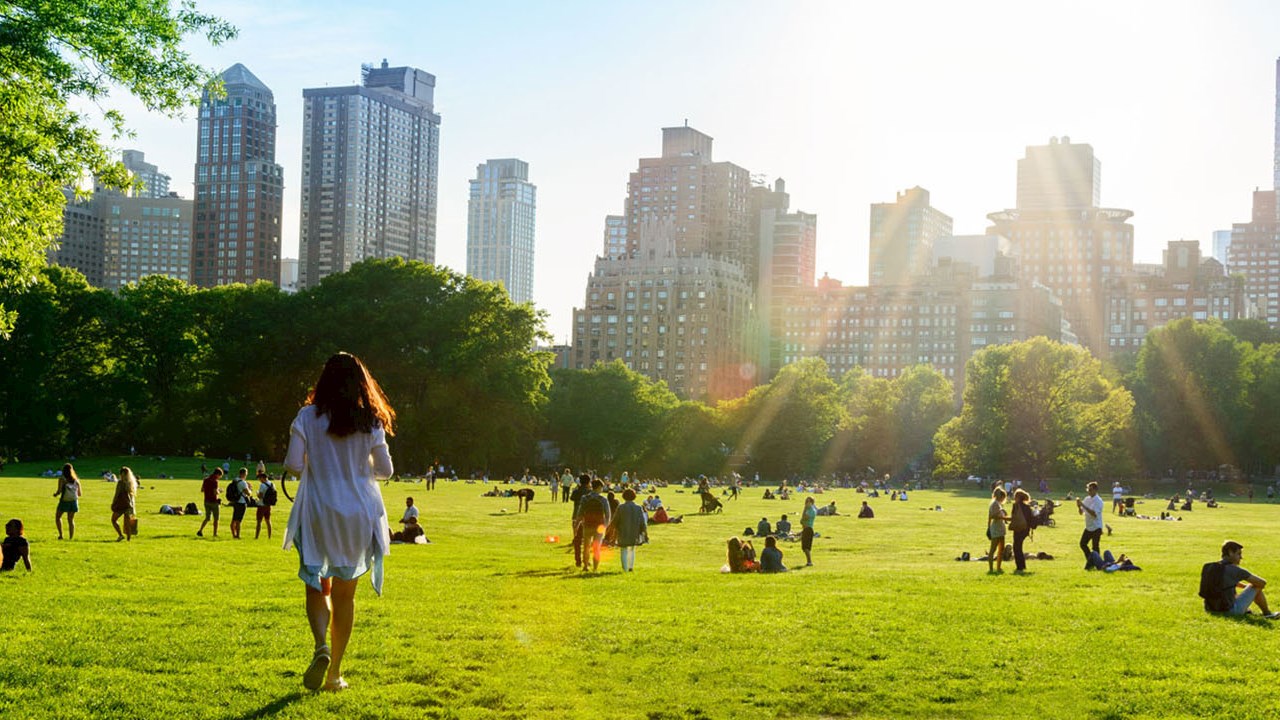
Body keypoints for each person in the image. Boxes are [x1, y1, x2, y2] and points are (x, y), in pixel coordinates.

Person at [282, 352, 397, 692]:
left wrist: (318, 462)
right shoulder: (372, 421)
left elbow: (294, 465)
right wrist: (360, 469)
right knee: (346, 596)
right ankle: (335, 675)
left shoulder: (306, 417)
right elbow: (385, 471)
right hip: (358, 512)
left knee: (317, 584)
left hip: (318, 509)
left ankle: (321, 646)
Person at [1200, 540, 1280, 618]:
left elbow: (1223, 583)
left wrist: (1245, 587)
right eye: (1239, 554)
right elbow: (1262, 583)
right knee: (1256, 586)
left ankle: (1247, 610)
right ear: (1231, 552)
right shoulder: (1235, 570)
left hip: (1209, 609)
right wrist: (1250, 587)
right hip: (1229, 611)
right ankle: (1267, 613)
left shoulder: (1209, 567)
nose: (1241, 557)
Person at [609, 488, 648, 571]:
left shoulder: (621, 507)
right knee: (632, 549)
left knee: (624, 550)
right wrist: (645, 533)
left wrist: (610, 531)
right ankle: (631, 567)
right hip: (634, 532)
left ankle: (625, 568)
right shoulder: (638, 508)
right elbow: (642, 522)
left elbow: (615, 521)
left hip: (623, 531)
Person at [579, 479, 611, 572]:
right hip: (599, 526)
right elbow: (608, 515)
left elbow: (580, 512)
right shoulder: (603, 499)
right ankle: (595, 568)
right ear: (599, 487)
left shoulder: (585, 498)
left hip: (587, 525)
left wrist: (579, 522)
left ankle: (585, 566)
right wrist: (605, 526)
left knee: (586, 547)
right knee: (597, 548)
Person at [1076, 482, 1105, 570]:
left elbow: (1094, 514)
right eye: (1088, 489)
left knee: (1095, 547)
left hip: (1096, 527)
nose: (1089, 491)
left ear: (1095, 490)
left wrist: (1082, 505)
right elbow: (1081, 512)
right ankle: (1091, 560)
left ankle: (1099, 565)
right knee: (1082, 544)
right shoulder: (1087, 499)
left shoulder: (1098, 501)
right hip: (1089, 527)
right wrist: (1078, 506)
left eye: (1090, 489)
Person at [1008, 489, 1035, 573]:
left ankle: (1019, 566)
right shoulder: (1027, 507)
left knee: (1016, 548)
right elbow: (1030, 518)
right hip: (1025, 529)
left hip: (1018, 529)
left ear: (1018, 497)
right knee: (1019, 547)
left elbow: (1013, 517)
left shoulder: (1016, 506)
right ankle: (1022, 565)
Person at [53, 463, 82, 540]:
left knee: (58, 517)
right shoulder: (76, 480)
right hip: (74, 501)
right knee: (71, 520)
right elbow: (79, 494)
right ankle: (71, 537)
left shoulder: (62, 479)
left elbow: (59, 491)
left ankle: (61, 535)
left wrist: (55, 494)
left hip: (64, 501)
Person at [110, 466, 138, 542]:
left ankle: (122, 536)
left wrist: (113, 503)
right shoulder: (130, 483)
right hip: (127, 505)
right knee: (126, 523)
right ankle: (127, 538)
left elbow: (117, 494)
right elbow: (132, 496)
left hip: (121, 505)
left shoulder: (121, 483)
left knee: (115, 520)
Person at [569, 474, 591, 569]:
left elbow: (571, 498)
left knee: (577, 539)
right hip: (587, 516)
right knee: (587, 540)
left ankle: (577, 559)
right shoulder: (590, 492)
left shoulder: (577, 491)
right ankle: (586, 559)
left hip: (576, 514)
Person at [987, 488, 1009, 573]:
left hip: (1000, 528)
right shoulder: (994, 504)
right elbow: (992, 516)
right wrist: (1003, 516)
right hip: (996, 528)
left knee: (1001, 549)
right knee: (993, 549)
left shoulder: (998, 504)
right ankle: (991, 568)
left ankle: (998, 567)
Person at [198, 467, 223, 537]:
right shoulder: (215, 481)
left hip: (206, 501)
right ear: (217, 474)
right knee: (216, 519)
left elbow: (202, 490)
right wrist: (219, 491)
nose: (219, 478)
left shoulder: (206, 480)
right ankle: (215, 533)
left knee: (207, 518)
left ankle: (200, 530)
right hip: (214, 502)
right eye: (220, 476)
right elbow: (215, 492)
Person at [228, 467, 251, 539]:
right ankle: (237, 535)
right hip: (241, 502)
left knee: (234, 519)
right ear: (244, 474)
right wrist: (250, 489)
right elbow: (248, 493)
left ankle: (233, 534)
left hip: (235, 501)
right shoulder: (243, 482)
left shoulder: (235, 480)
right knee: (238, 521)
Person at [256, 471, 277, 539]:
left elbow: (260, 496)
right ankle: (269, 536)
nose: (259, 480)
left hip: (262, 504)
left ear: (262, 478)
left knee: (259, 521)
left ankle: (257, 536)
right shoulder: (272, 484)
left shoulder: (262, 485)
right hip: (268, 505)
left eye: (259, 478)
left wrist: (257, 493)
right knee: (268, 521)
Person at [800, 497, 817, 567]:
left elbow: (805, 518)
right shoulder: (808, 510)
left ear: (812, 503)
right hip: (805, 529)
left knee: (806, 547)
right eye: (806, 502)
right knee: (804, 547)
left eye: (808, 502)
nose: (807, 503)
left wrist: (804, 510)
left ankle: (809, 562)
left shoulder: (811, 510)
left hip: (808, 529)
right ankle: (809, 561)